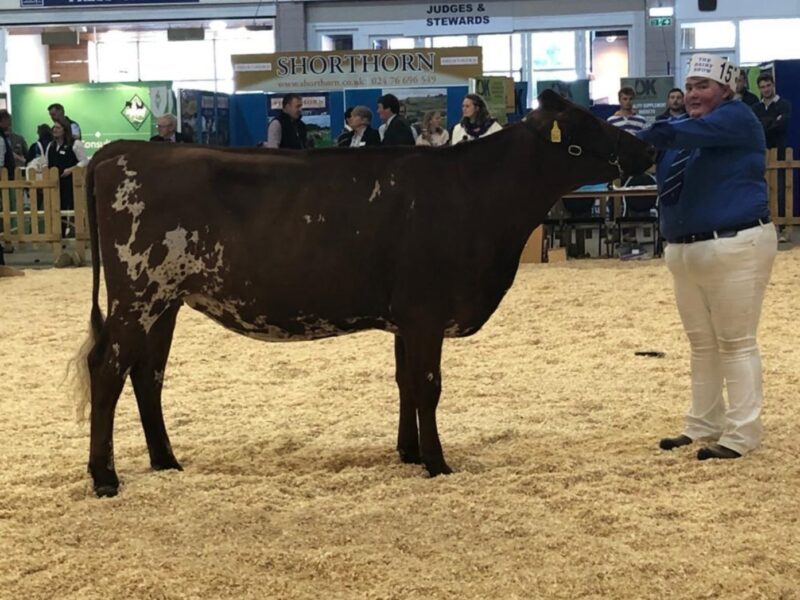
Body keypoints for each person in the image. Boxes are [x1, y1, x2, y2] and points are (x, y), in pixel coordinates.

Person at [637, 53, 777, 461]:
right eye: (690, 86)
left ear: (726, 89)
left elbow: (666, 136)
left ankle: (742, 433)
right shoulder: (688, 132)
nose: (693, 94)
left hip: (736, 244)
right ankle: (702, 423)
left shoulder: (736, 118)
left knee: (736, 342)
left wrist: (641, 135)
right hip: (686, 249)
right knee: (702, 344)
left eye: (703, 86)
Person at [42, 116, 89, 264]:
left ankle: (79, 240)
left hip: (71, 183)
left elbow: (84, 161)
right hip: (56, 184)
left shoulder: (75, 144)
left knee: (75, 211)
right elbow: (47, 162)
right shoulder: (50, 146)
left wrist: (72, 169)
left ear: (65, 130)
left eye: (58, 128)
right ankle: (60, 240)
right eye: (53, 128)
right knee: (57, 211)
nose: (54, 130)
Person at [753, 73, 792, 241]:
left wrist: (766, 124)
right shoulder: (756, 108)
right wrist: (770, 122)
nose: (765, 89)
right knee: (761, 188)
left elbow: (781, 123)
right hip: (761, 151)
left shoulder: (784, 104)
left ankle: (783, 228)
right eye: (762, 87)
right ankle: (764, 227)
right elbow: (756, 126)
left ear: (773, 85)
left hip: (780, 150)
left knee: (782, 188)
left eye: (768, 85)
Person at [0, 110, 16, 178]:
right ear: (3, 120)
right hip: (4, 178)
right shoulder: (1, 138)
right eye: (9, 121)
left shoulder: (2, 136)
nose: (10, 124)